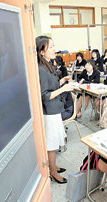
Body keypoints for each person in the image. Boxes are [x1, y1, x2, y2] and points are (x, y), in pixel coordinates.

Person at [36, 35, 73, 184]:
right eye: (50, 47)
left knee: (55, 140)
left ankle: (53, 165)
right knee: (51, 143)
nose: (54, 49)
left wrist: (62, 81)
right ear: (41, 52)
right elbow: (45, 95)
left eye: (53, 46)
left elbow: (52, 85)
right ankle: (52, 171)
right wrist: (63, 88)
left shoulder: (48, 65)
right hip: (49, 111)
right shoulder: (41, 69)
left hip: (55, 109)